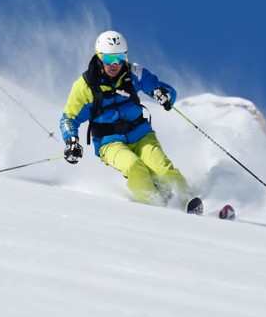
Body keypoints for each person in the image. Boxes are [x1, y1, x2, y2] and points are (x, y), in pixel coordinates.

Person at [59, 30, 202, 214]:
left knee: (162, 168)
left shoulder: (133, 72)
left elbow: (161, 88)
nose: (115, 64)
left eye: (119, 57)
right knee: (134, 167)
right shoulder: (85, 86)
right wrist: (71, 141)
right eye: (109, 59)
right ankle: (156, 207)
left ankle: (189, 202)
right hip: (109, 142)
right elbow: (69, 118)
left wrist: (164, 95)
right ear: (99, 56)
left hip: (141, 134)